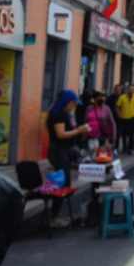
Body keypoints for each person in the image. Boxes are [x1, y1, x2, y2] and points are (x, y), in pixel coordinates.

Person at [46, 90, 88, 226]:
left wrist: (79, 130)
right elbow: (61, 134)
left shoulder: (62, 113)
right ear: (68, 102)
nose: (74, 106)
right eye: (73, 104)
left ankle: (56, 215)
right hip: (58, 151)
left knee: (64, 183)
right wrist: (79, 130)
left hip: (61, 151)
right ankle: (53, 217)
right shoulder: (59, 114)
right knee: (62, 184)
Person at [115, 84, 134, 154]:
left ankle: (130, 148)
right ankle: (124, 147)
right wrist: (119, 114)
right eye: (130, 89)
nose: (131, 91)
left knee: (131, 134)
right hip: (123, 118)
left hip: (132, 118)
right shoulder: (122, 97)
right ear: (127, 90)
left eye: (132, 89)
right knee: (123, 134)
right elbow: (117, 106)